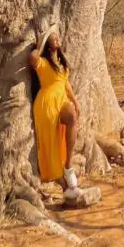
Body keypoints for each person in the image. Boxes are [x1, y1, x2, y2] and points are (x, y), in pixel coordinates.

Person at [28, 24, 81, 194]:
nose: (57, 39)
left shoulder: (62, 63)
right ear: (48, 44)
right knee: (50, 142)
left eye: (58, 37)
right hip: (47, 102)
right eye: (53, 38)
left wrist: (75, 100)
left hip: (62, 99)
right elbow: (31, 57)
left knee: (72, 117)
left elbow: (66, 83)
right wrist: (40, 44)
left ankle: (68, 165)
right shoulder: (42, 63)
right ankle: (64, 187)